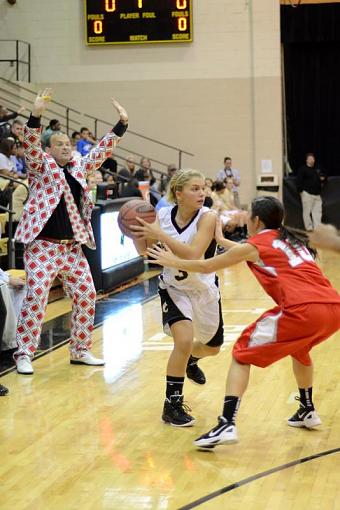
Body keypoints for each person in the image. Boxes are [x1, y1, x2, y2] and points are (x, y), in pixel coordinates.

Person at [147, 196, 340, 446]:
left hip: (302, 308)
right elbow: (250, 251)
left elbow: (207, 266)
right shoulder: (291, 241)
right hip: (333, 307)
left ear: (256, 221)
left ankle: (226, 424)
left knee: (241, 354)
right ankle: (307, 409)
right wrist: (221, 240)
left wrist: (172, 261)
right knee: (300, 350)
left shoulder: (257, 243)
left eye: (249, 216)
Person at [13, 88, 128, 375]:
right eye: (59, 144)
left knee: (87, 294)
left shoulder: (79, 167)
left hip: (71, 247)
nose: (66, 147)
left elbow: (101, 150)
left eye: (68, 144)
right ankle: (25, 353)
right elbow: (29, 142)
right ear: (49, 149)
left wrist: (121, 125)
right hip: (43, 245)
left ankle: (80, 349)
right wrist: (36, 113)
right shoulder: (40, 166)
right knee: (37, 294)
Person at [131, 169, 224, 427]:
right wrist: (136, 234)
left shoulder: (208, 217)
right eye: (195, 188)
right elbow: (146, 253)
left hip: (204, 289)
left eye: (203, 187)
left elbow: (194, 254)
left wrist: (160, 235)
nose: (202, 193)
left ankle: (193, 360)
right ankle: (172, 405)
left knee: (213, 348)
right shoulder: (160, 216)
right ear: (178, 193)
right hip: (173, 288)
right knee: (183, 340)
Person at [296, 153, 326, 232]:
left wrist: (323, 178)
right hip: (307, 193)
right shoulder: (302, 169)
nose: (311, 160)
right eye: (310, 158)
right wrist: (301, 192)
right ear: (306, 160)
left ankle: (317, 229)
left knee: (317, 212)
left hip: (317, 194)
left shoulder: (317, 170)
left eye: (313, 158)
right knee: (307, 212)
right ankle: (309, 228)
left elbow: (324, 177)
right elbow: (299, 181)